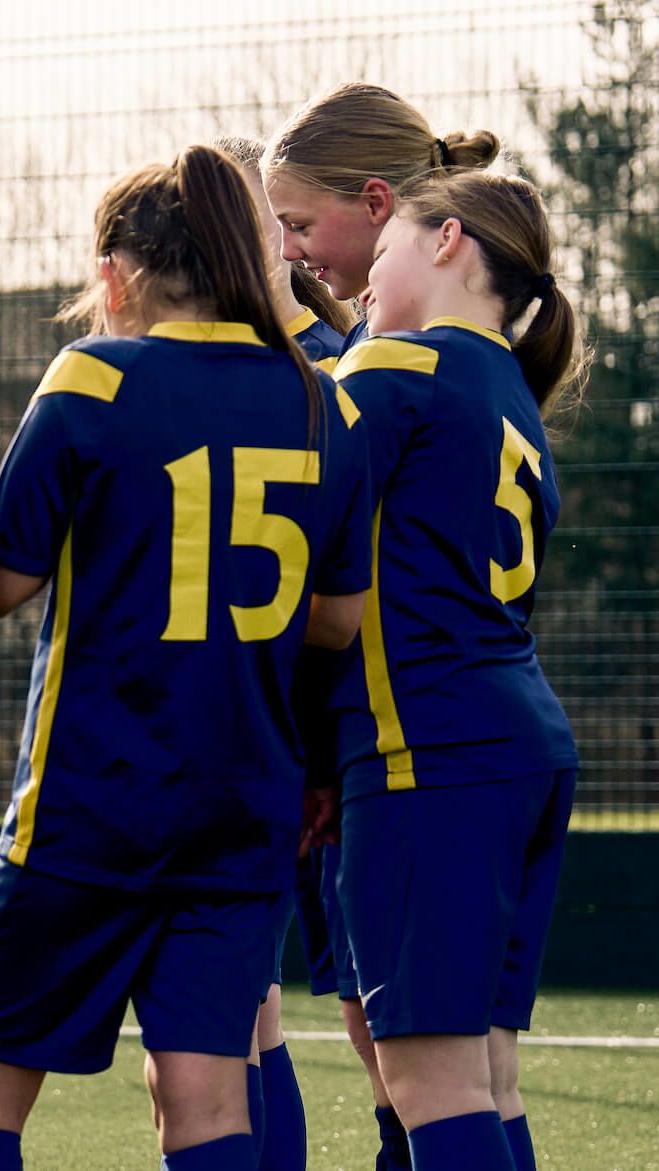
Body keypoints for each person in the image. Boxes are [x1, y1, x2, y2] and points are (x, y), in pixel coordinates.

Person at [0, 144, 369, 1171]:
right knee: (206, 1096)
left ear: (116, 274)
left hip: (93, 799)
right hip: (239, 806)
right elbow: (339, 619)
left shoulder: (96, 374)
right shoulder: (322, 398)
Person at [326, 167, 584, 1171]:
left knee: (430, 1083)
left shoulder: (399, 367)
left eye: (382, 248)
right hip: (519, 745)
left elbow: (285, 470)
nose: (359, 281)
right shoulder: (511, 387)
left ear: (444, 244)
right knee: (483, 1077)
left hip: (430, 752)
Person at [264, 84, 503, 1167]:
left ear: (376, 204)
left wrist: (288, 334)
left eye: (297, 226)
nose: (284, 247)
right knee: (418, 1050)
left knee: (419, 1057)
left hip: (407, 745)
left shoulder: (392, 367)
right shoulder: (468, 360)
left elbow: (336, 441)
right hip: (387, 741)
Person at [211, 132, 360, 1171]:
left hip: (299, 750)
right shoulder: (309, 359)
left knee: (253, 1020)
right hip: (279, 744)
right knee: (251, 1011)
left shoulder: (309, 371)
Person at [266, 83, 499, 346]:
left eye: (299, 225)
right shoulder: (475, 320)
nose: (287, 253)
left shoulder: (396, 357)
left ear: (375, 203)